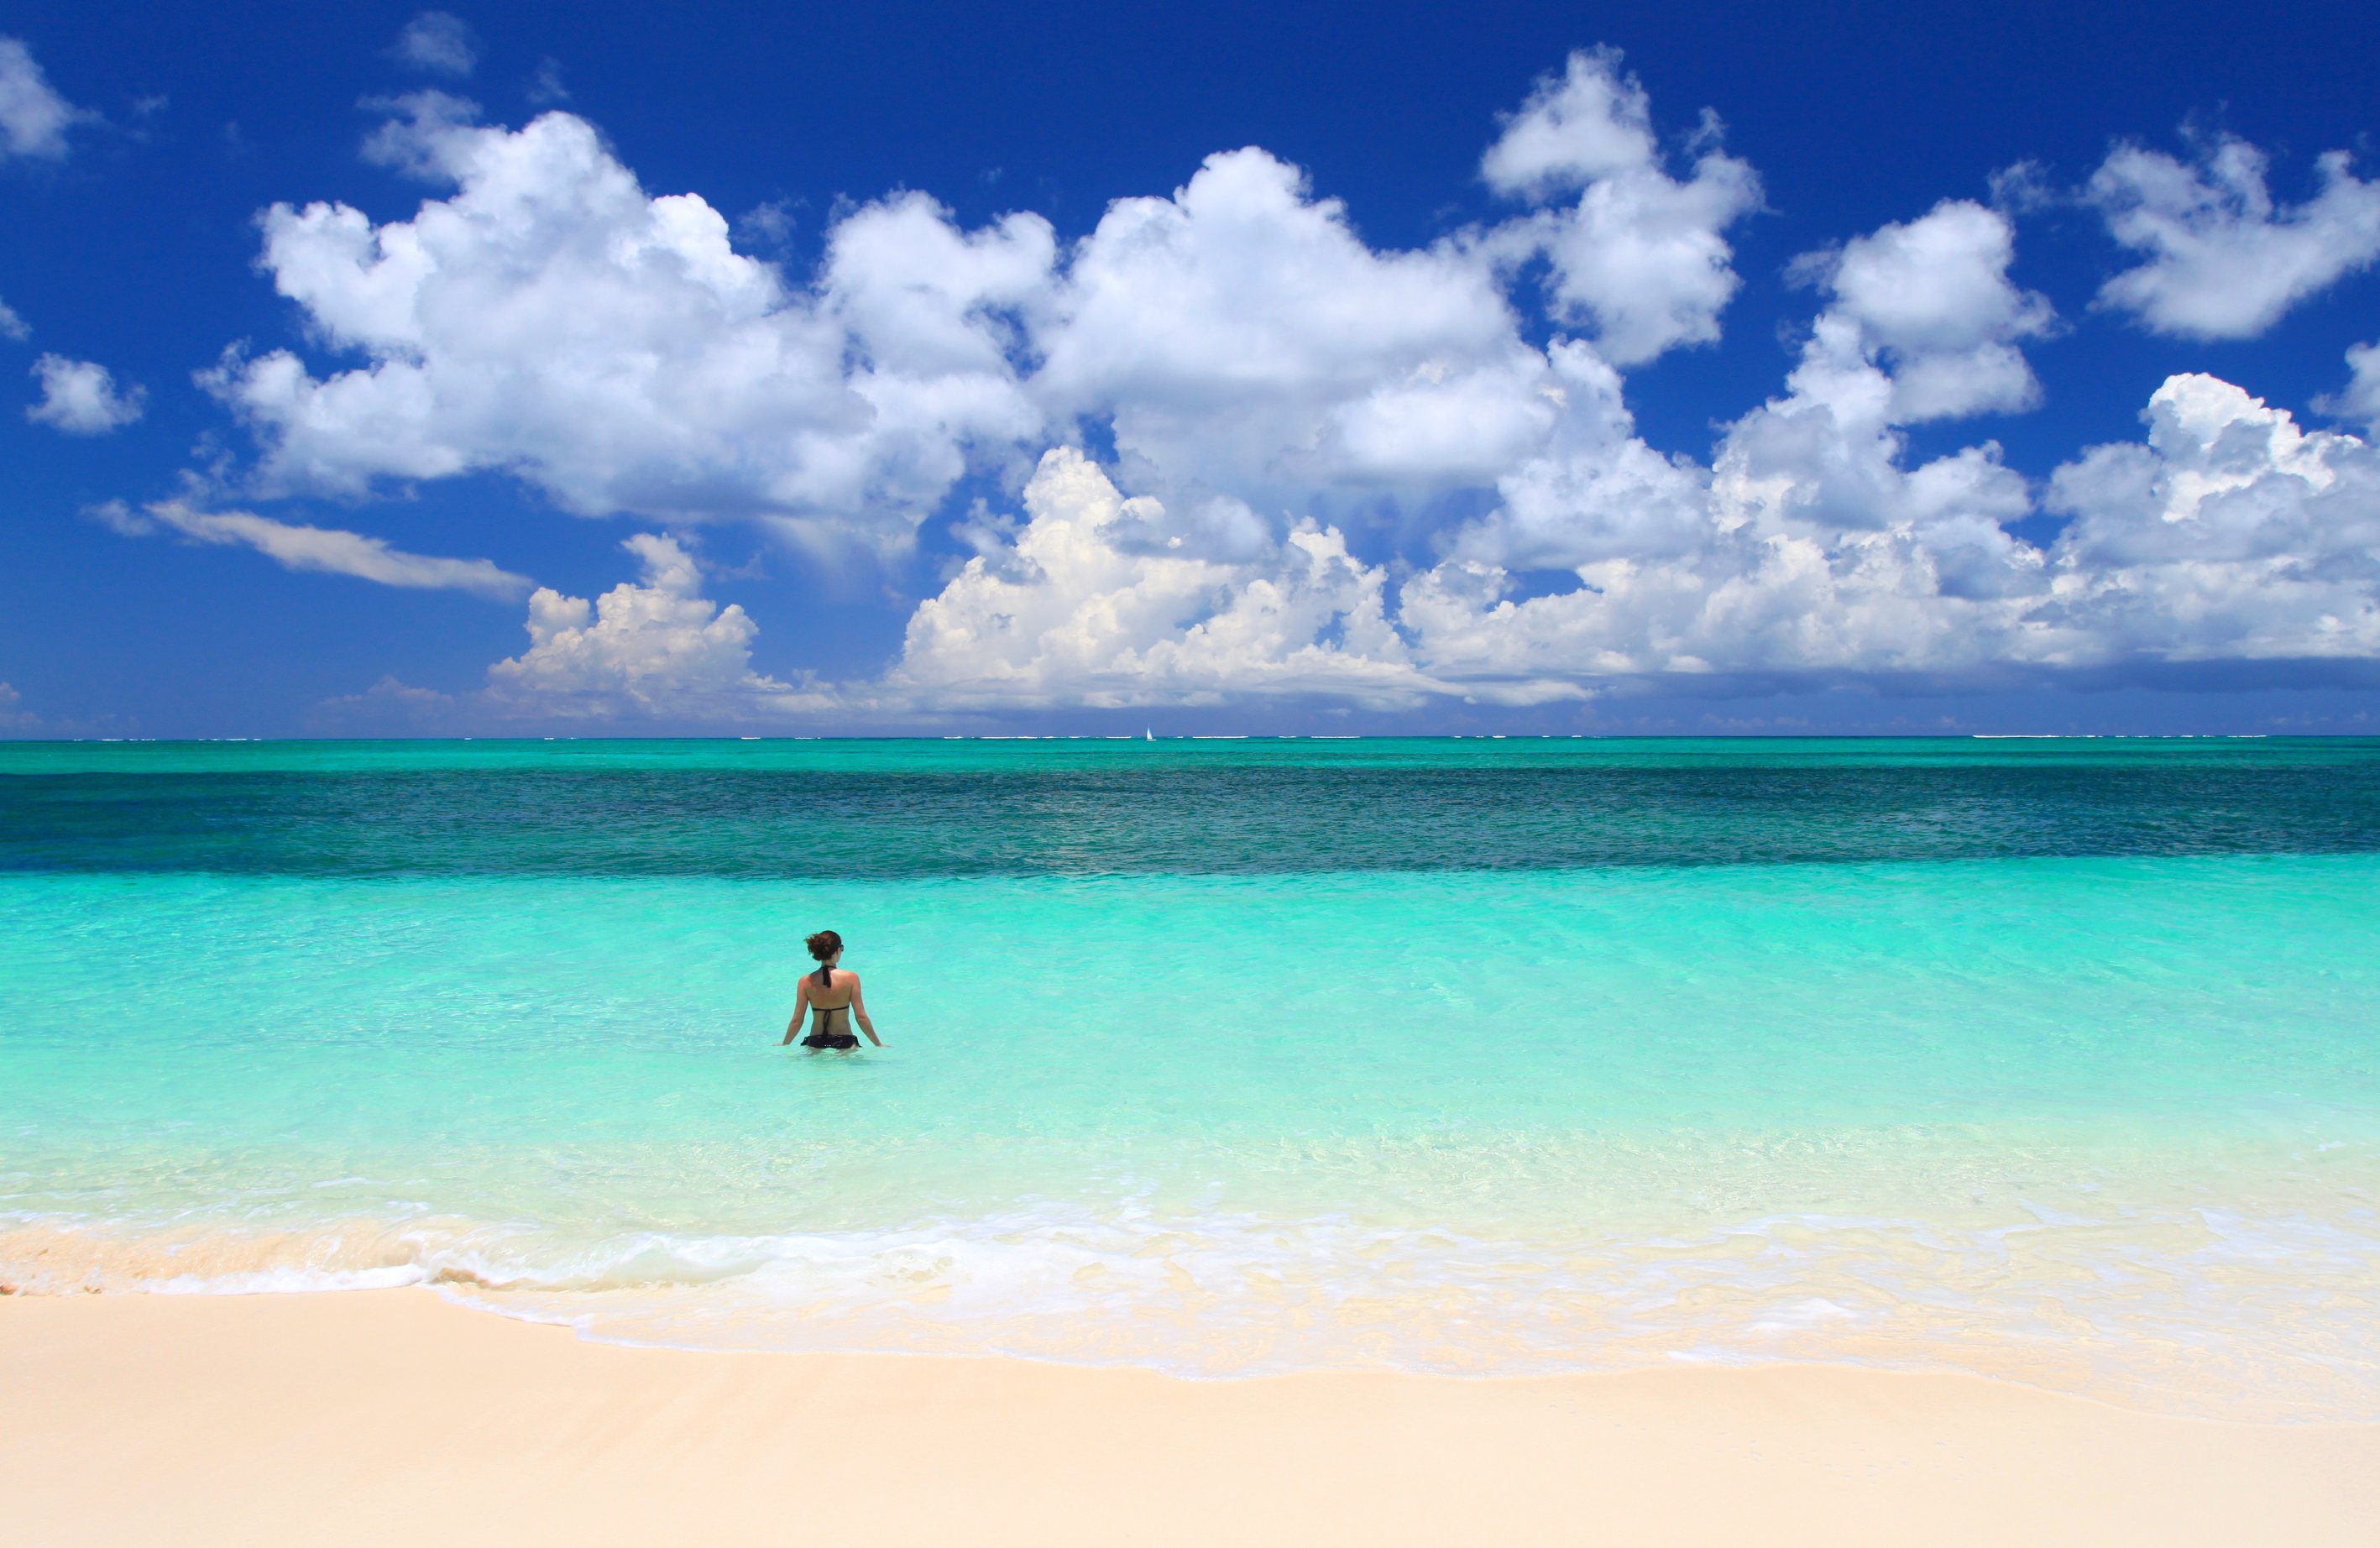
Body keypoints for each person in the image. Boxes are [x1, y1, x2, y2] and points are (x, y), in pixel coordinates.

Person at [781, 929, 882, 1050]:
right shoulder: (851, 978)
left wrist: (784, 1045)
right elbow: (861, 1017)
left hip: (815, 1040)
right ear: (838, 950)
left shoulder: (805, 981)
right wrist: (878, 1044)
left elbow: (797, 1020)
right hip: (845, 1040)